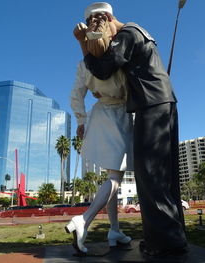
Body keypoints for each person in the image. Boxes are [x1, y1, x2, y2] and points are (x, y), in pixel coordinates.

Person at [75, 2, 188, 258]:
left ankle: (164, 244)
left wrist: (84, 45)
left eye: (102, 30)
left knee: (150, 176)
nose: (105, 38)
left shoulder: (126, 34)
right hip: (163, 101)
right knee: (163, 174)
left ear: (107, 18)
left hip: (151, 104)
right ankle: (173, 237)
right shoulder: (139, 31)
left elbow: (103, 69)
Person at [65, 13, 134, 255]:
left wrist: (82, 120)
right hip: (120, 114)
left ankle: (114, 229)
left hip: (99, 114)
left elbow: (76, 94)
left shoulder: (84, 63)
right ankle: (83, 221)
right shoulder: (121, 56)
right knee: (115, 176)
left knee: (111, 176)